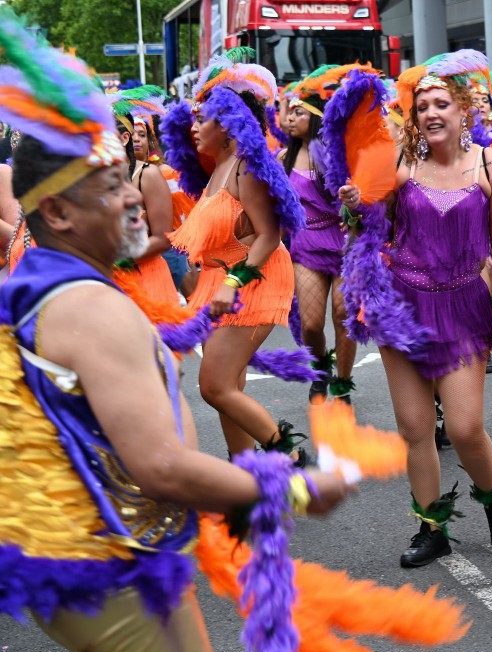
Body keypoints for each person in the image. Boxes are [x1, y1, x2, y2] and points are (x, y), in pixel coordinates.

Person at [0, 17, 348, 652]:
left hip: (107, 551)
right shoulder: (94, 308)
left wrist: (200, 310)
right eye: (107, 187)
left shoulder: (46, 285)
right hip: (112, 560)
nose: (133, 196)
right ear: (59, 214)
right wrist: (288, 488)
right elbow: (160, 466)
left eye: (126, 177)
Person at [338, 50, 492, 567]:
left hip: (464, 304)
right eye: (421, 105)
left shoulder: (491, 165)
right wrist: (358, 204)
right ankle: (431, 527)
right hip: (401, 306)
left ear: (464, 109)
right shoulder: (400, 164)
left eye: (441, 102)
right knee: (415, 426)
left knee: (466, 427)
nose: (430, 113)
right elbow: (367, 225)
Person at [164, 53, 307, 461]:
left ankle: (291, 457)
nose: (193, 127)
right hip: (218, 283)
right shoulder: (219, 167)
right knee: (229, 388)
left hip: (251, 281)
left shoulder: (247, 168)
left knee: (215, 386)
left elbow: (269, 235)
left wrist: (232, 283)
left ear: (226, 126)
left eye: (201, 119)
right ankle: (246, 474)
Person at [279, 67, 358, 404]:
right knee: (311, 325)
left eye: (299, 111)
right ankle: (322, 366)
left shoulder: (338, 155)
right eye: (290, 110)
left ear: (314, 117)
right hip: (306, 244)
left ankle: (341, 384)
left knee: (343, 316)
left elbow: (364, 193)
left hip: (343, 243)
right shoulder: (283, 158)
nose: (290, 117)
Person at [110, 100, 179, 307]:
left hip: (146, 282)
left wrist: (118, 262)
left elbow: (163, 238)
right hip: (106, 285)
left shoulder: (147, 175)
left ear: (124, 138)